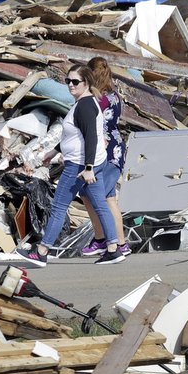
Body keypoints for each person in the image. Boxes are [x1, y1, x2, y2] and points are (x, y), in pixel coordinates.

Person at [19, 63, 124, 267]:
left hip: (78, 166)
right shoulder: (87, 102)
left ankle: (41, 251)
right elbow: (73, 135)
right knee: (101, 206)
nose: (70, 85)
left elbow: (91, 138)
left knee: (58, 207)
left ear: (86, 83)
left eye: (75, 81)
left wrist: (88, 168)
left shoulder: (84, 106)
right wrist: (53, 152)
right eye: (68, 81)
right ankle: (113, 248)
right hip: (89, 163)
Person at [80, 57, 129, 257]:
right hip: (116, 149)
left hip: (104, 150)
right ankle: (114, 241)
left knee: (99, 197)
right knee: (104, 197)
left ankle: (107, 240)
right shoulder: (115, 96)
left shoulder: (95, 99)